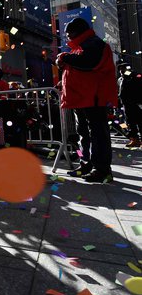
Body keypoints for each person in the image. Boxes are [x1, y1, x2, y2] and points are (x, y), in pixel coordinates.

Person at [57, 18, 118, 182]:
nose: (67, 37)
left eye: (69, 33)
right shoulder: (81, 46)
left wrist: (64, 58)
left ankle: (102, 169)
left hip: (93, 97)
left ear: (77, 32)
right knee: (84, 133)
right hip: (82, 98)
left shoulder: (94, 43)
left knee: (97, 133)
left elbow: (88, 63)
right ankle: (87, 163)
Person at [117, 62, 142, 148]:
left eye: (123, 69)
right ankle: (135, 139)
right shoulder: (120, 79)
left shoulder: (134, 77)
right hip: (125, 105)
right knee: (130, 123)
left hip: (135, 104)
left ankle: (137, 139)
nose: (121, 71)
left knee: (140, 122)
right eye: (120, 69)